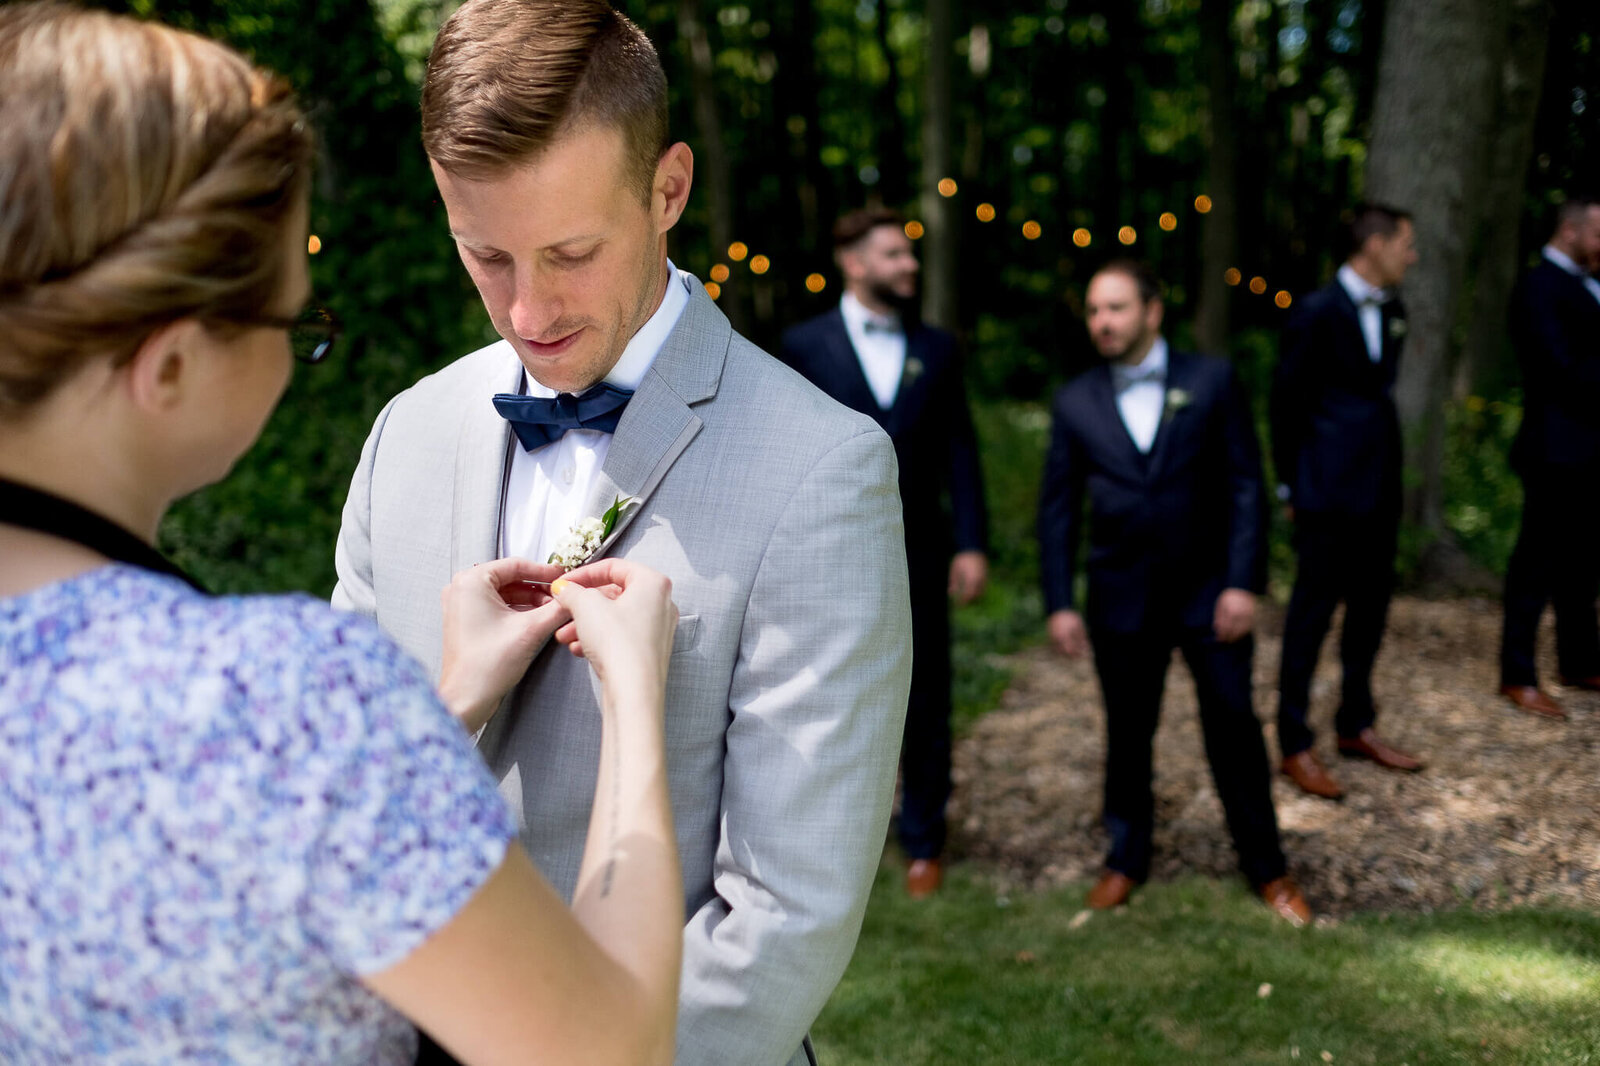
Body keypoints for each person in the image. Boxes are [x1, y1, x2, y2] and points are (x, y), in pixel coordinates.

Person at [0, 5, 685, 1064]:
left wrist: (443, 705)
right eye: (294, 320)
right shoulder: (285, 704)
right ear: (172, 363)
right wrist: (636, 703)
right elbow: (604, 1046)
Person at [331, 3, 913, 1063]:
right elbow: (340, 804)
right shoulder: (406, 434)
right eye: (485, 254)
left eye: (572, 251)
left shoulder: (822, 470)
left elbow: (784, 912)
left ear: (669, 189)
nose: (526, 307)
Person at [1037, 259, 1309, 925]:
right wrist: (1060, 601)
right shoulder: (1075, 401)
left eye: (1116, 308)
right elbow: (1058, 509)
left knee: (1234, 727)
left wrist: (1244, 583)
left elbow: (1247, 484)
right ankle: (1125, 859)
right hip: (1119, 598)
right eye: (1095, 311)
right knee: (1128, 734)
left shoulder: (1210, 381)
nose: (1102, 322)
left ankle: (1268, 868)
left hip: (1209, 594)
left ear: (1152, 312)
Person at [778, 208, 988, 900]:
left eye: (910, 255)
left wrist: (972, 542)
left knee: (926, 695)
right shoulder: (802, 346)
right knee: (832, 693)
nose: (910, 266)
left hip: (921, 552)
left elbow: (961, 446)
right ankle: (835, 844)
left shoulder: (939, 345)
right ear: (853, 262)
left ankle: (924, 839)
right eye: (894, 255)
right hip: (828, 553)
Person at [1270, 203, 1423, 802]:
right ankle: (1292, 741)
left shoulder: (1394, 310)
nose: (1411, 256)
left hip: (1380, 489)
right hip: (1326, 496)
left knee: (1370, 612)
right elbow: (1286, 406)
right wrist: (1290, 486)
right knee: (1309, 619)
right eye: (1404, 244)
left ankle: (1356, 724)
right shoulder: (1313, 313)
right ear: (1375, 245)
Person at [1497, 196, 1600, 719]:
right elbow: (1557, 368)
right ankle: (1516, 673)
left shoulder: (1590, 283)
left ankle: (1580, 660)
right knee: (1535, 563)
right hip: (1554, 447)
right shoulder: (1538, 286)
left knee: (1583, 563)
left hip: (1591, 449)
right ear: (1570, 230)